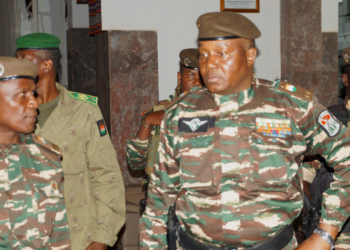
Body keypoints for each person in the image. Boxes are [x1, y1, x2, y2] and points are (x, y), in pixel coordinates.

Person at [139, 12, 350, 250]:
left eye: (221, 53)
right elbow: (158, 202)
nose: (210, 65)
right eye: (204, 55)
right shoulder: (181, 113)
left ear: (250, 55)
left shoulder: (291, 107)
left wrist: (326, 233)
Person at [16, 33, 125, 250]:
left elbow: (106, 176)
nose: (17, 68)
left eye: (23, 61)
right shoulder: (11, 113)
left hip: (77, 238)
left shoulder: (84, 111)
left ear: (46, 65)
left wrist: (101, 239)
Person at [0, 56, 70, 249]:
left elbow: (58, 237)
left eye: (33, 93)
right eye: (22, 94)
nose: (34, 103)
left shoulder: (46, 156)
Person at [302, 47, 350, 250]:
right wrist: (311, 211)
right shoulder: (329, 119)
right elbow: (306, 173)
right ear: (346, 79)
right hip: (335, 234)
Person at [126, 48, 203, 175]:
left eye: (202, 77)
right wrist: (147, 122)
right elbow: (135, 163)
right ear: (179, 77)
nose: (197, 83)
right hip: (162, 192)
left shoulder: (218, 112)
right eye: (190, 75)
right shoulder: (160, 111)